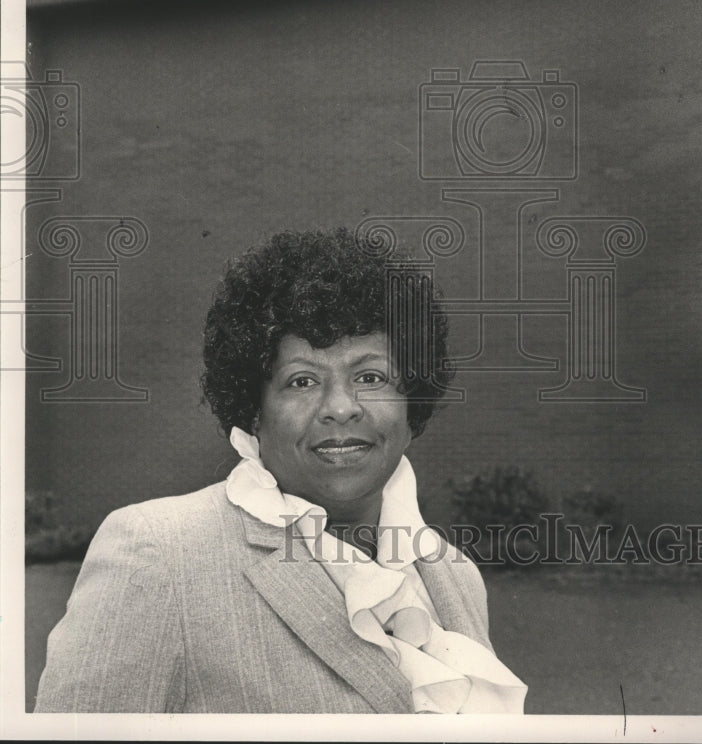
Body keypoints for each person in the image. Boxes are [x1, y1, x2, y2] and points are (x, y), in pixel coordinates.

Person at [35, 227, 527, 713]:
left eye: (371, 376)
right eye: (302, 380)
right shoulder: (158, 555)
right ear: (253, 410)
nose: (341, 407)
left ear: (410, 401)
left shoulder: (452, 573)